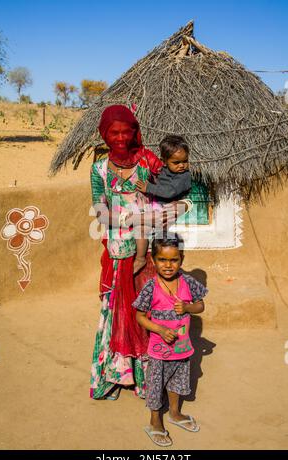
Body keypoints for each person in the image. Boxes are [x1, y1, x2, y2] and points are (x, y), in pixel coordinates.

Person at [90, 105, 186, 400]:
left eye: (125, 131)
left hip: (149, 254)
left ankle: (146, 379)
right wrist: (127, 219)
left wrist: (174, 211)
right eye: (113, 132)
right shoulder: (99, 169)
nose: (120, 138)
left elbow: (182, 186)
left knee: (147, 310)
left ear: (134, 132)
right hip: (119, 253)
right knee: (116, 313)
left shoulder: (147, 160)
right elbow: (99, 208)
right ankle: (116, 377)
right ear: (105, 135)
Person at [133, 235, 208, 446]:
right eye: (162, 260)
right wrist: (160, 329)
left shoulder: (188, 282)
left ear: (181, 259)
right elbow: (139, 316)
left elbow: (200, 306)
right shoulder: (150, 287)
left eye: (174, 260)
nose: (168, 265)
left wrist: (187, 307)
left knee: (178, 382)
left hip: (182, 349)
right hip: (159, 351)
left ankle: (175, 413)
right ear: (154, 261)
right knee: (156, 385)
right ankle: (155, 420)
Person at [134, 135, 193, 274]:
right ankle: (141, 257)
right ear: (164, 162)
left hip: (168, 210)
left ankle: (146, 259)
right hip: (158, 206)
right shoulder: (164, 170)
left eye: (185, 161)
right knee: (142, 228)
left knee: (151, 233)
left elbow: (169, 192)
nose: (182, 165)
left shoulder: (184, 176)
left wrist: (148, 188)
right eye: (176, 162)